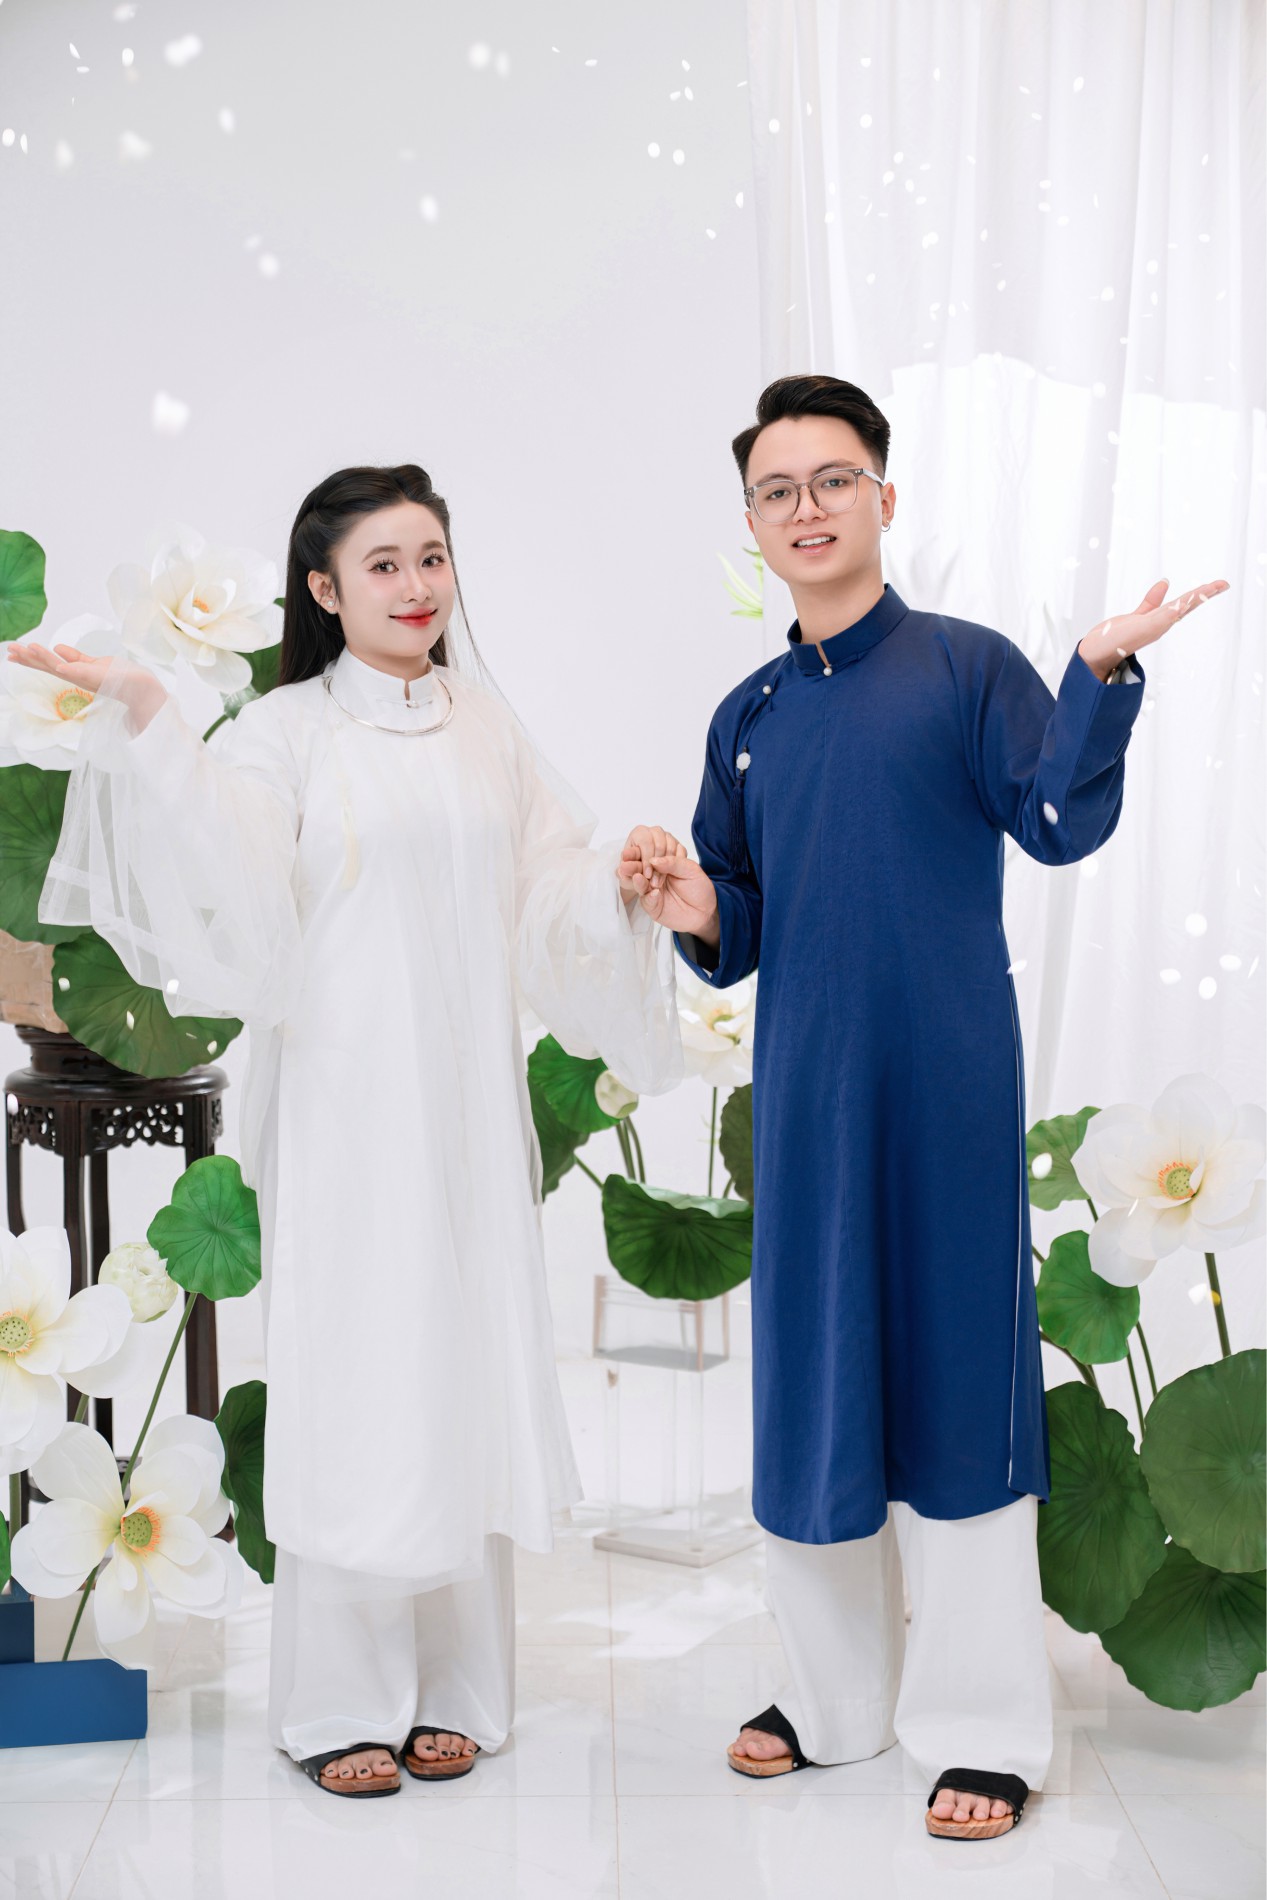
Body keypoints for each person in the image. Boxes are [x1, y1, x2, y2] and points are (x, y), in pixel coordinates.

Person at [11, 463, 686, 1798]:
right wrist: (149, 715)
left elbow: (546, 884)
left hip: (465, 1115)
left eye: (432, 557)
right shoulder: (285, 733)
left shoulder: (486, 725)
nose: (417, 586)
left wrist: (613, 888)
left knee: (460, 1370)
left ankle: (460, 1688)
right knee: (362, 1376)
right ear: (323, 589)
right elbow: (227, 872)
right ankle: (339, 1703)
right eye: (384, 564)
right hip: (343, 1109)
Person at [619, 374, 1229, 1840]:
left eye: (834, 480)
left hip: (947, 1096)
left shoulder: (964, 668)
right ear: (753, 524)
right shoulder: (748, 717)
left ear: (884, 498)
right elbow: (739, 916)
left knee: (959, 1387)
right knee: (816, 1386)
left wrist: (1097, 674)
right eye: (777, 490)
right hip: (807, 1104)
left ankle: (982, 1725)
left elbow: (1055, 817)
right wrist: (695, 903)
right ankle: (830, 1700)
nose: (808, 508)